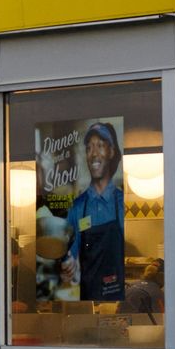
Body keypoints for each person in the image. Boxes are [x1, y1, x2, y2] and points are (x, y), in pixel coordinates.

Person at [63, 122, 127, 302]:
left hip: (117, 297)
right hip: (88, 300)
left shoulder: (122, 204)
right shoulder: (77, 208)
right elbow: (70, 254)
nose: (93, 153)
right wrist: (67, 265)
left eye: (100, 145)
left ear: (112, 152)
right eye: (89, 147)